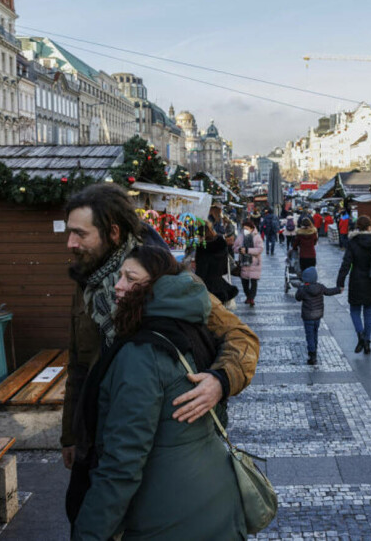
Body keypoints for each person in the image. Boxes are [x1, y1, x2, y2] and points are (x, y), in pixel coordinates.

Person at [61, 184, 259, 471]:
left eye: (80, 234)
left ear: (113, 233)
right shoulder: (88, 286)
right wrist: (70, 435)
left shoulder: (167, 277)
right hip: (100, 438)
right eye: (69, 232)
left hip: (162, 448)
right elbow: (79, 365)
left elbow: (242, 336)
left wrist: (220, 381)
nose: (70, 243)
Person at [67, 246, 247, 539]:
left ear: (157, 285)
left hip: (169, 517)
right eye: (119, 276)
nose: (119, 285)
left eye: (130, 278)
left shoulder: (142, 354)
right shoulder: (189, 324)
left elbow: (122, 463)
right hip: (214, 500)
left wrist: (88, 533)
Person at [337, 215, 371, 355]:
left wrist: (340, 281)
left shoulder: (353, 242)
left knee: (355, 311)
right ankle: (367, 342)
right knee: (369, 313)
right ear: (370, 226)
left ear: (357, 226)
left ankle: (360, 336)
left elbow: (346, 263)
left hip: (357, 280)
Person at [293, 267, 342, 365]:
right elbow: (329, 292)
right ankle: (314, 350)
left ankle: (312, 355)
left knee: (309, 335)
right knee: (315, 334)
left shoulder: (304, 289)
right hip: (318, 315)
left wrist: (299, 288)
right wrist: (338, 289)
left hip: (308, 317)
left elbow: (297, 298)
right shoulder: (320, 287)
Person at [195, 221, 239, 306]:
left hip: (207, 285)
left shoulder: (202, 248)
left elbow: (201, 269)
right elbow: (224, 263)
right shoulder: (221, 242)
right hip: (220, 282)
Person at [233, 219, 263, 307]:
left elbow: (260, 249)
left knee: (254, 283)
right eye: (243, 228)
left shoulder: (257, 237)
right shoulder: (240, 236)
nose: (244, 230)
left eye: (246, 228)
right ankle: (248, 296)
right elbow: (234, 247)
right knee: (244, 283)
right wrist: (239, 249)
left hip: (254, 263)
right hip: (244, 263)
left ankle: (251, 298)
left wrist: (247, 250)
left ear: (251, 228)